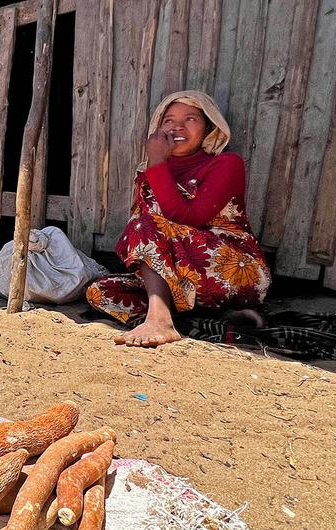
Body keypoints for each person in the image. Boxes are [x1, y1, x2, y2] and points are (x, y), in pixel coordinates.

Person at [85, 90, 270, 347]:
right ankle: (207, 316)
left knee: (143, 224)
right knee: (100, 293)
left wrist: (157, 161)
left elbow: (189, 217)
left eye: (191, 119)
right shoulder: (151, 170)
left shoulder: (227, 163)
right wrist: (155, 165)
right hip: (183, 277)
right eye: (168, 120)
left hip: (232, 268)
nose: (178, 127)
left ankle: (160, 319)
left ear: (209, 127)